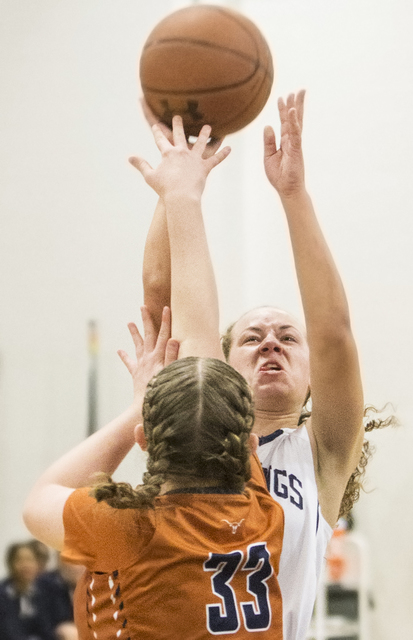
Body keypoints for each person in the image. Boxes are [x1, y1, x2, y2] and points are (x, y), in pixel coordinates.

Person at [135, 92, 389, 640]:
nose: (271, 343)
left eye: (287, 338)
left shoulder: (321, 457)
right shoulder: (195, 432)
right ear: (222, 365)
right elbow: (163, 297)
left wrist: (293, 194)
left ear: (313, 376)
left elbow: (335, 334)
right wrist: (177, 185)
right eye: (252, 337)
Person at [23, 121, 286, 639]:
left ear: (146, 435)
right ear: (248, 445)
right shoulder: (258, 511)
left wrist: (182, 194)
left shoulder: (127, 528)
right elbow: (198, 335)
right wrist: (180, 196)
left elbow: (40, 498)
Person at [0, 540, 54, 640]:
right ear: (11, 564)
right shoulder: (3, 594)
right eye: (20, 560)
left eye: (30, 560)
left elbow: (48, 629)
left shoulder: (44, 591)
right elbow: (8, 631)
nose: (26, 565)